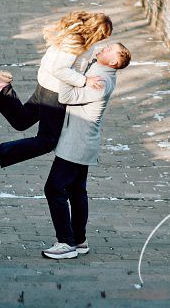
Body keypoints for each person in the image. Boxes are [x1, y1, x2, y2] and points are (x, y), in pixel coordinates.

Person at [0, 10, 112, 173]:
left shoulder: (76, 30)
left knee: (21, 121)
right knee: (47, 141)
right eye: (102, 37)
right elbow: (60, 69)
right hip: (55, 93)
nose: (101, 40)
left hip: (46, 84)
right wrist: (85, 81)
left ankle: (2, 86)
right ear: (96, 31)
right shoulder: (77, 41)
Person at [41, 40, 132, 260]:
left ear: (114, 61)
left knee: (53, 189)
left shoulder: (100, 80)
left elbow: (67, 97)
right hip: (81, 142)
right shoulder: (98, 68)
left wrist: (69, 73)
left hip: (77, 143)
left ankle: (66, 242)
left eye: (110, 49)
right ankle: (79, 240)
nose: (105, 47)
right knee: (76, 191)